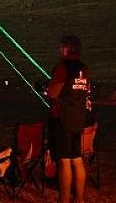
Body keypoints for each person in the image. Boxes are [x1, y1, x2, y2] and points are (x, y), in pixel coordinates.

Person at [46, 35, 91, 203]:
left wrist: (50, 89)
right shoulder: (84, 68)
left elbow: (53, 92)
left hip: (62, 119)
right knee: (77, 159)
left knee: (64, 161)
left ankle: (63, 200)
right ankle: (79, 199)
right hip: (78, 119)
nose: (59, 50)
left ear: (66, 49)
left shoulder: (62, 67)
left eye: (61, 47)